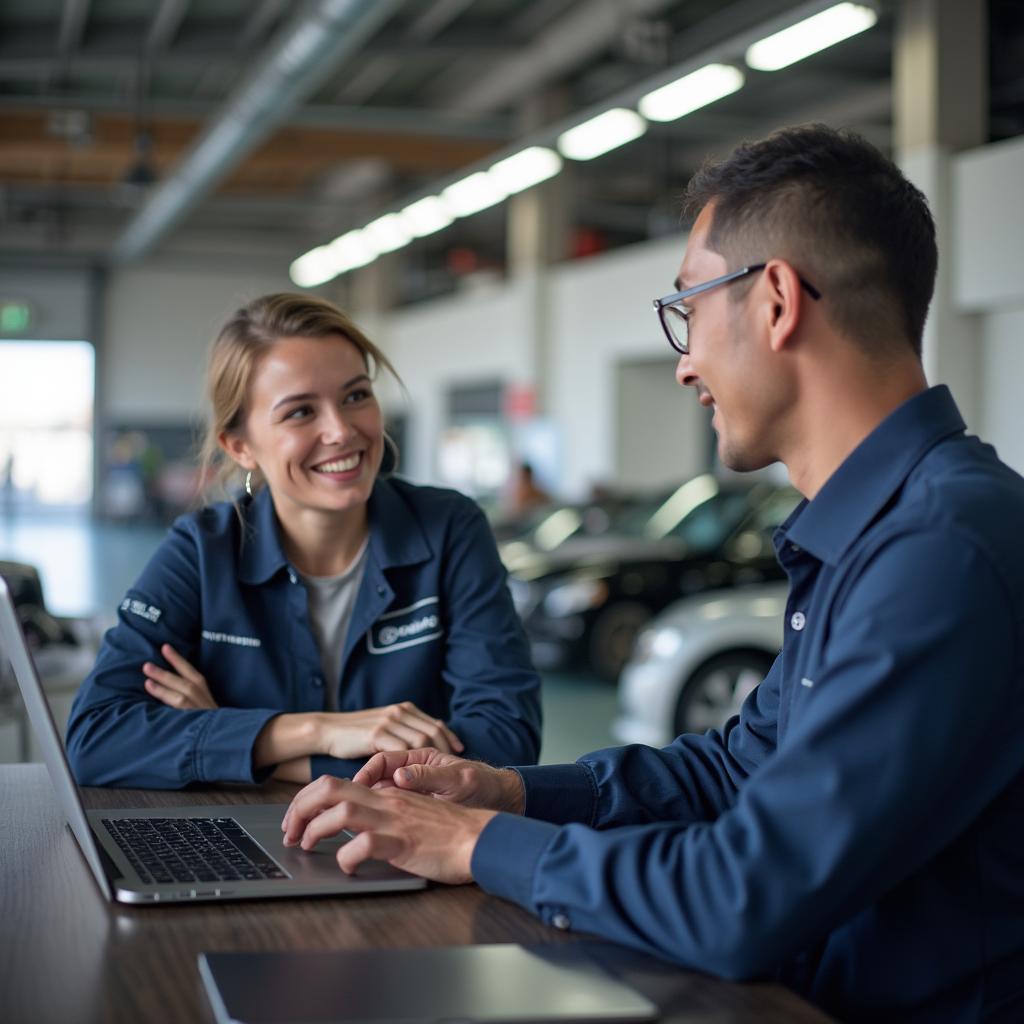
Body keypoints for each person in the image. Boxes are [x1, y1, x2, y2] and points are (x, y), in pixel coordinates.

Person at [278, 126, 1024, 1022]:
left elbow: (740, 894)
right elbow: (733, 771)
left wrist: (478, 842)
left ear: (777, 301)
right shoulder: (877, 534)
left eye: (690, 309)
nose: (684, 363)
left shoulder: (942, 550)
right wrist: (509, 793)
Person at [66, 294, 541, 788]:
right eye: (300, 412)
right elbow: (96, 739)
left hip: (417, 846)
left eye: (356, 396)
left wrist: (249, 750)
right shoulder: (202, 553)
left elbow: (505, 744)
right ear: (240, 446)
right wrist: (317, 731)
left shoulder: (449, 530)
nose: (340, 430)